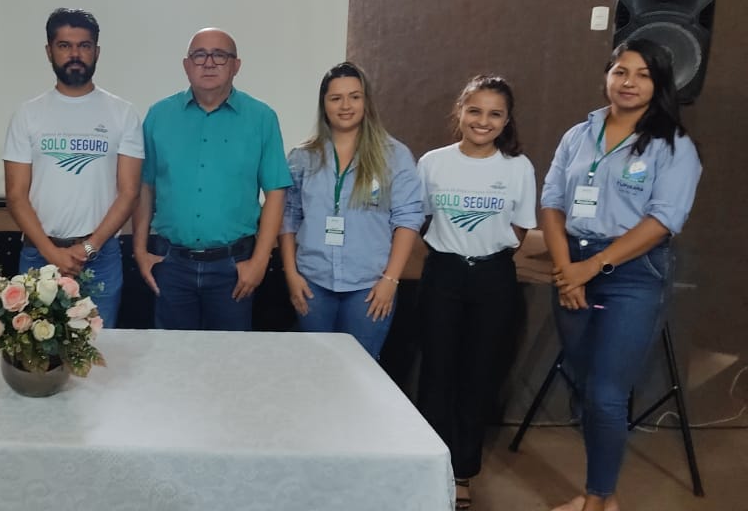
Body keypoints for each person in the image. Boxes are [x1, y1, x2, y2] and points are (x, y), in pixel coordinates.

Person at [541, 39, 702, 511]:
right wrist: (567, 271)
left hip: (633, 273)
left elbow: (663, 221)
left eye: (643, 75)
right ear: (607, 76)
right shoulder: (578, 135)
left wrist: (591, 268)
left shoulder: (674, 145)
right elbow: (551, 203)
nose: (629, 82)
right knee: (586, 387)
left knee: (607, 394)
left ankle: (598, 500)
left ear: (659, 84)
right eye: (620, 71)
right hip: (572, 265)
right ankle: (601, 494)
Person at [414, 75, 536, 510]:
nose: (483, 121)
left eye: (495, 114)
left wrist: (486, 255)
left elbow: (519, 230)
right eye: (475, 111)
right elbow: (418, 218)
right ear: (460, 112)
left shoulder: (518, 168)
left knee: (478, 376)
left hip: (493, 278)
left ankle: (463, 471)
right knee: (436, 376)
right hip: (442, 276)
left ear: (506, 120)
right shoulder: (432, 163)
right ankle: (431, 469)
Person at [132, 28, 291, 331]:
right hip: (171, 265)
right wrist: (140, 251)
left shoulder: (261, 118)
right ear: (186, 65)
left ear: (236, 65)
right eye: (199, 55)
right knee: (172, 354)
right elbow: (145, 187)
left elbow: (276, 192)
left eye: (219, 55)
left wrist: (259, 263)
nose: (208, 63)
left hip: (234, 268)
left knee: (230, 357)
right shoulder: (159, 116)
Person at [2, 8, 143, 328]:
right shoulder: (27, 114)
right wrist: (51, 252)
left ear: (97, 52)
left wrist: (88, 247)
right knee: (37, 350)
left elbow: (129, 192)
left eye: (84, 45)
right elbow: (16, 195)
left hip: (100, 257)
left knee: (98, 349)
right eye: (65, 46)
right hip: (39, 255)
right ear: (49, 51)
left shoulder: (122, 113)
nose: (75, 54)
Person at [279, 62, 423, 357]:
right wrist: (291, 274)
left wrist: (390, 280)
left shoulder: (394, 155)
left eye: (354, 97)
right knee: (315, 367)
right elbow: (288, 216)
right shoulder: (302, 157)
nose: (346, 106)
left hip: (369, 287)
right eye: (336, 98)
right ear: (324, 104)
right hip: (312, 283)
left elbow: (407, 219)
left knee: (360, 371)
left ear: (366, 101)